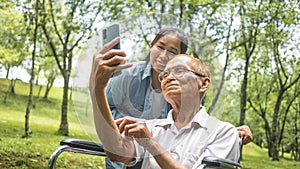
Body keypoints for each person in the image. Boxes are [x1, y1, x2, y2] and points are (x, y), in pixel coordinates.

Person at [95, 26, 252, 168]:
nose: (168, 78)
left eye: (179, 70)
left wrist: (151, 143)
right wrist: (97, 89)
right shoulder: (151, 128)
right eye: (165, 75)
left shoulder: (222, 132)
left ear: (203, 84)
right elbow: (116, 153)